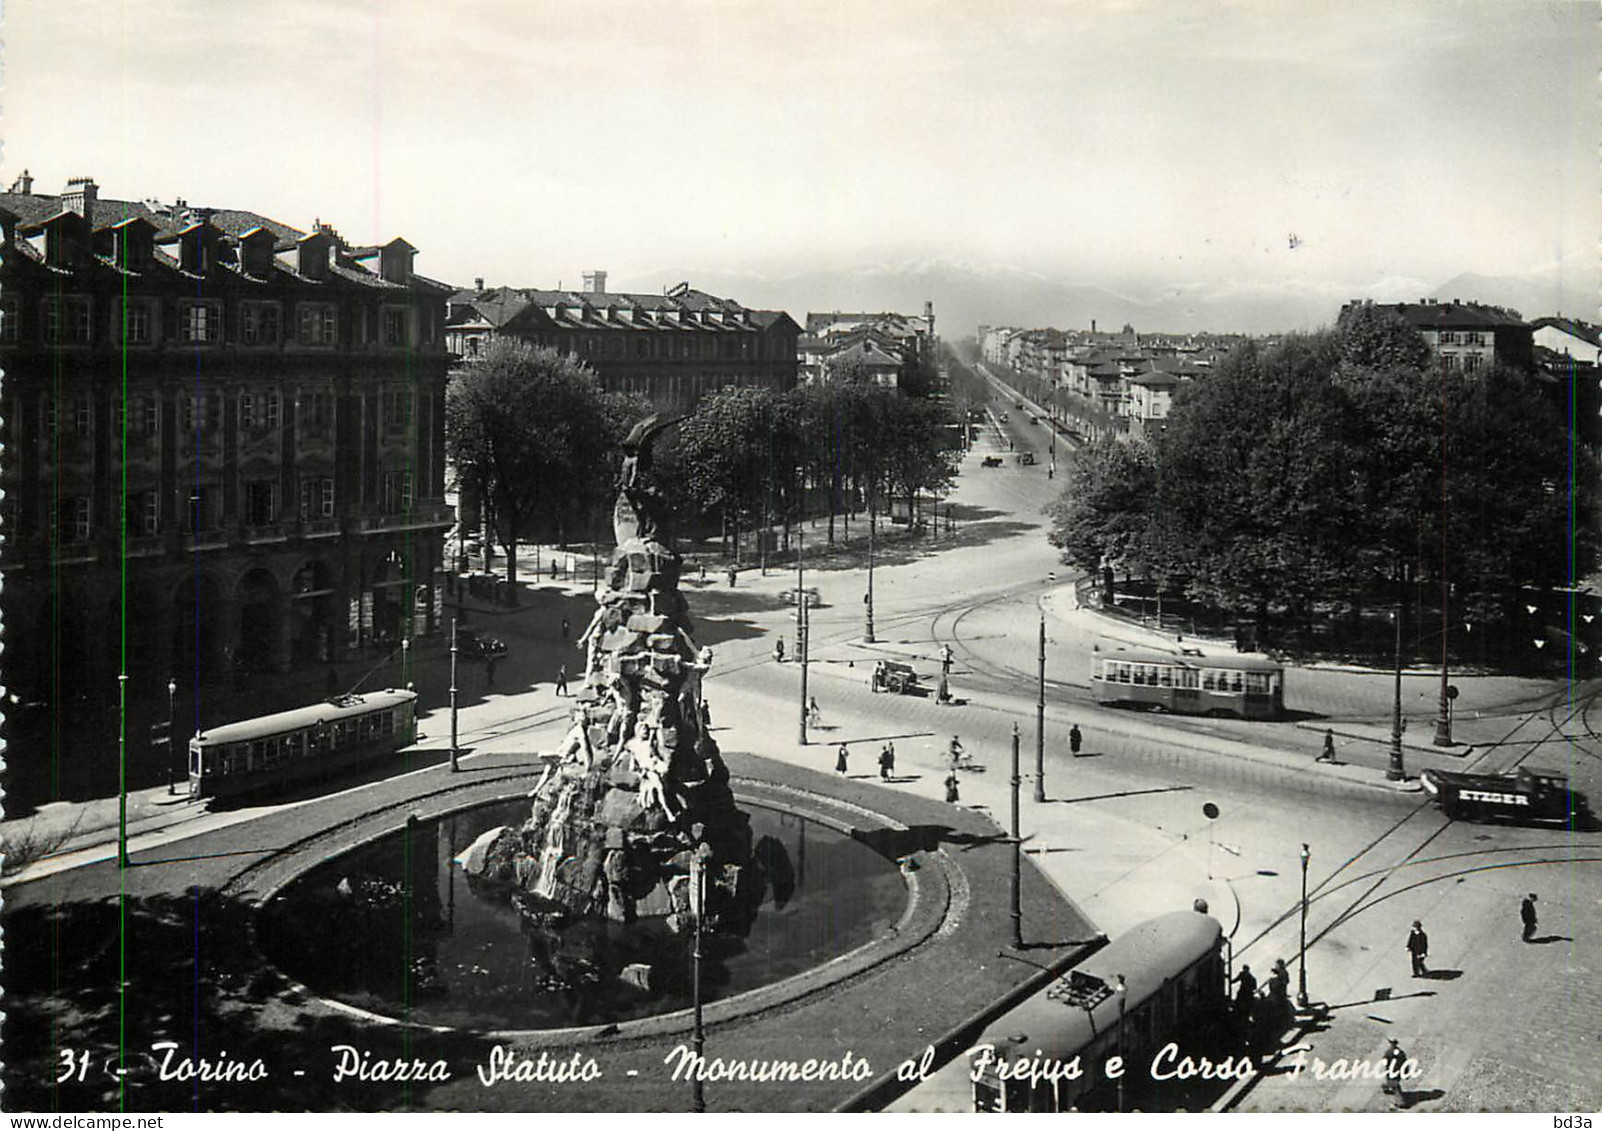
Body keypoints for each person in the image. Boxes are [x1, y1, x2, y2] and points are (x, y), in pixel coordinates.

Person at [1381, 1038, 1409, 1107]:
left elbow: (1384, 1061)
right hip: (1399, 1071)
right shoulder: (1401, 1052)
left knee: (1395, 1087)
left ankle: (1401, 1102)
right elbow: (1405, 1062)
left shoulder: (1388, 1052)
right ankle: (1385, 1086)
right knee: (1393, 1083)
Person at [1233, 964, 1257, 1030]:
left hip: (1246, 993)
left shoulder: (1250, 978)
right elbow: (1236, 979)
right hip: (1245, 993)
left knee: (1244, 1005)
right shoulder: (1246, 975)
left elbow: (1254, 987)